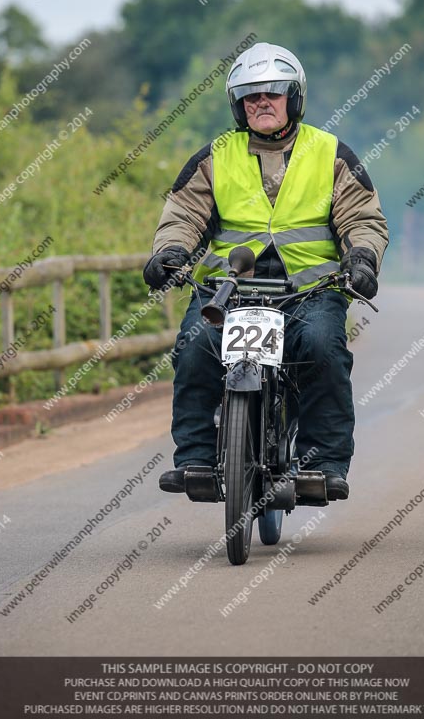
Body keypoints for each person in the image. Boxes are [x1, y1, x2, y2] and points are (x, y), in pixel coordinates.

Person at [143, 42, 389, 500]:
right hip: (227, 290)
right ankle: (195, 456)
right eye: (251, 95)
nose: (262, 102)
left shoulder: (331, 153)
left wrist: (361, 258)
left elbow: (362, 218)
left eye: (273, 93)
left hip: (310, 291)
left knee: (322, 348)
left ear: (294, 98)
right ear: (237, 105)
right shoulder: (215, 157)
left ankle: (324, 462)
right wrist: (170, 252)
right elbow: (184, 213)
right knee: (195, 347)